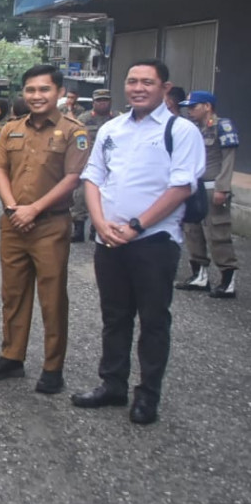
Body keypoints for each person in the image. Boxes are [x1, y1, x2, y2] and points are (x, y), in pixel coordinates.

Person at [72, 59, 204, 425]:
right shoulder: (113, 128)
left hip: (154, 241)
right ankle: (112, 384)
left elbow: (181, 187)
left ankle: (147, 395)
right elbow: (94, 176)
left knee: (153, 319)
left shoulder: (181, 131)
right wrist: (99, 223)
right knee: (114, 316)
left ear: (164, 87)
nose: (138, 88)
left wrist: (135, 226)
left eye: (147, 82)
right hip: (109, 240)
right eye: (132, 81)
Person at [0, 65, 86, 394]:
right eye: (30, 90)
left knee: (53, 298)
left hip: (50, 224)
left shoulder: (74, 131)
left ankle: (53, 366)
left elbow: (73, 178)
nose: (36, 96)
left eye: (44, 90)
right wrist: (13, 206)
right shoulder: (10, 129)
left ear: (58, 92)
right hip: (13, 223)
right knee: (12, 293)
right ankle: (12, 355)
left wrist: (34, 209)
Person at [176, 90, 239, 298]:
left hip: (214, 187)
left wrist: (223, 187)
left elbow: (228, 160)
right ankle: (199, 275)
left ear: (208, 106)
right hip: (196, 187)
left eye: (194, 107)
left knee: (218, 233)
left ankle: (227, 279)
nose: (190, 111)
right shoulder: (193, 128)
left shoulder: (223, 126)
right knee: (192, 231)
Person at [72, 89, 116, 241]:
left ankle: (96, 228)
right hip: (87, 163)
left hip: (111, 164)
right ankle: (78, 228)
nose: (102, 103)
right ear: (93, 102)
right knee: (80, 196)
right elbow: (76, 141)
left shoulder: (118, 119)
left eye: (105, 100)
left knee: (105, 197)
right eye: (99, 100)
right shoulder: (83, 119)